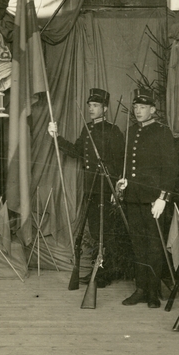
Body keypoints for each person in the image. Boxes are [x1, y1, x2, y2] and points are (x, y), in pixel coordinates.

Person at [47, 88, 125, 288]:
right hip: (91, 189)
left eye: (95, 105)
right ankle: (97, 270)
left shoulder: (114, 131)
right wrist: (56, 137)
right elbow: (76, 151)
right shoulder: (87, 129)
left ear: (105, 108)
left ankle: (104, 273)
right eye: (90, 105)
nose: (91, 109)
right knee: (95, 231)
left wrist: (116, 189)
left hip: (106, 189)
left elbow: (119, 163)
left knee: (105, 232)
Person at [115, 88, 178, 308]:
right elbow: (128, 164)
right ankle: (140, 289)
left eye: (143, 107)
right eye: (136, 107)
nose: (138, 111)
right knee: (138, 245)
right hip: (133, 197)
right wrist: (123, 181)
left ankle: (152, 291)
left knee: (154, 246)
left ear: (152, 109)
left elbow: (170, 168)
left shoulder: (162, 132)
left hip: (153, 200)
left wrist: (163, 197)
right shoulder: (132, 131)